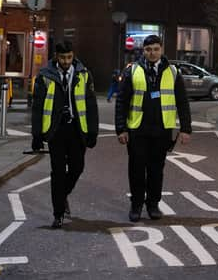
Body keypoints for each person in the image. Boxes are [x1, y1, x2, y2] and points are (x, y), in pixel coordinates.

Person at [115, 35, 192, 222]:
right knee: (136, 169)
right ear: (143, 51)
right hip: (137, 129)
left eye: (156, 49)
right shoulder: (132, 71)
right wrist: (121, 129)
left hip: (161, 130)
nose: (152, 53)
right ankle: (136, 205)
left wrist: (185, 128)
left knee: (157, 170)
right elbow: (122, 101)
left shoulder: (173, 72)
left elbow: (182, 102)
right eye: (149, 50)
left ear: (162, 50)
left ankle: (153, 204)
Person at [31, 42, 99, 228]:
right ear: (56, 57)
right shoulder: (45, 76)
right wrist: (37, 135)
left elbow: (91, 104)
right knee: (58, 173)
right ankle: (58, 213)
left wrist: (93, 131)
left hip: (77, 130)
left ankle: (62, 195)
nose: (66, 61)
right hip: (56, 131)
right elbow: (37, 108)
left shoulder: (84, 74)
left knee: (77, 168)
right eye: (62, 58)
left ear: (73, 55)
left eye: (69, 57)